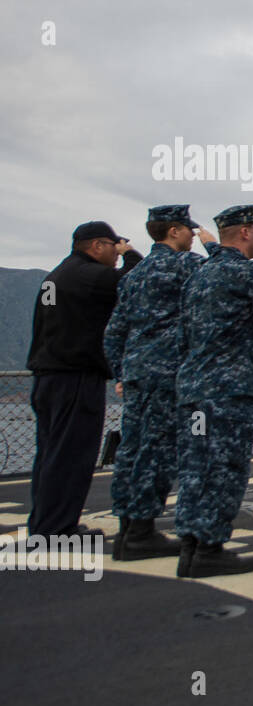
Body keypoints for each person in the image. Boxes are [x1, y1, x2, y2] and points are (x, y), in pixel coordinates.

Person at [104, 205, 217, 560]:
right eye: (188, 230)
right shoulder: (183, 266)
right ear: (174, 231)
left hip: (137, 372)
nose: (191, 235)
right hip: (167, 372)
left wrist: (121, 373)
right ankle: (142, 530)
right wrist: (213, 245)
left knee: (132, 449)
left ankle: (126, 529)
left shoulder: (133, 276)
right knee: (157, 450)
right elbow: (223, 273)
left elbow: (114, 331)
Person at [174, 205, 253, 578]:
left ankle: (189, 545)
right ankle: (211, 547)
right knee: (226, 468)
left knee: (194, 467)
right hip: (229, 388)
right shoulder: (247, 274)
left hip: (192, 388)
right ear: (245, 232)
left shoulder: (197, 276)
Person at [26, 222, 143, 538]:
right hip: (75, 378)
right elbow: (137, 281)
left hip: (47, 377)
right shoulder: (88, 276)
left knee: (50, 454)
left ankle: (45, 523)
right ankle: (58, 529)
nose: (115, 256)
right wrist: (130, 252)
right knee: (73, 456)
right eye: (112, 247)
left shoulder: (56, 277)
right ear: (97, 246)